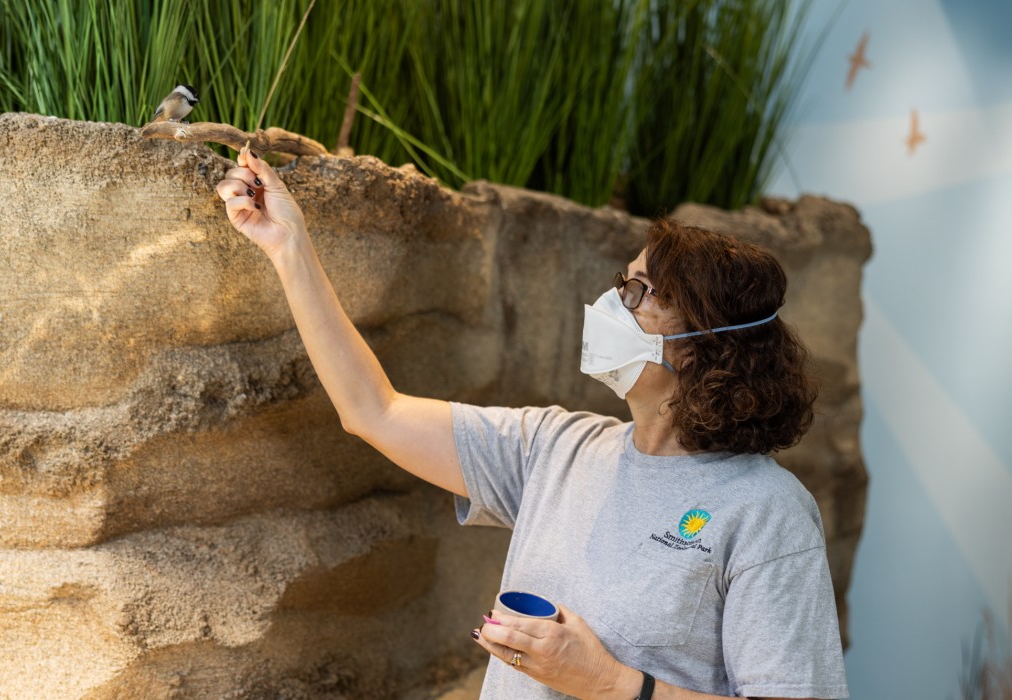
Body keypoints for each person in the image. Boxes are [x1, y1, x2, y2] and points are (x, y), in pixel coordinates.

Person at [216, 147, 849, 700]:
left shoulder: (766, 511)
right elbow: (373, 410)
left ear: (701, 346)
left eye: (637, 294)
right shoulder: (558, 448)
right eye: (619, 284)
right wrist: (288, 247)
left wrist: (612, 684)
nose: (609, 306)